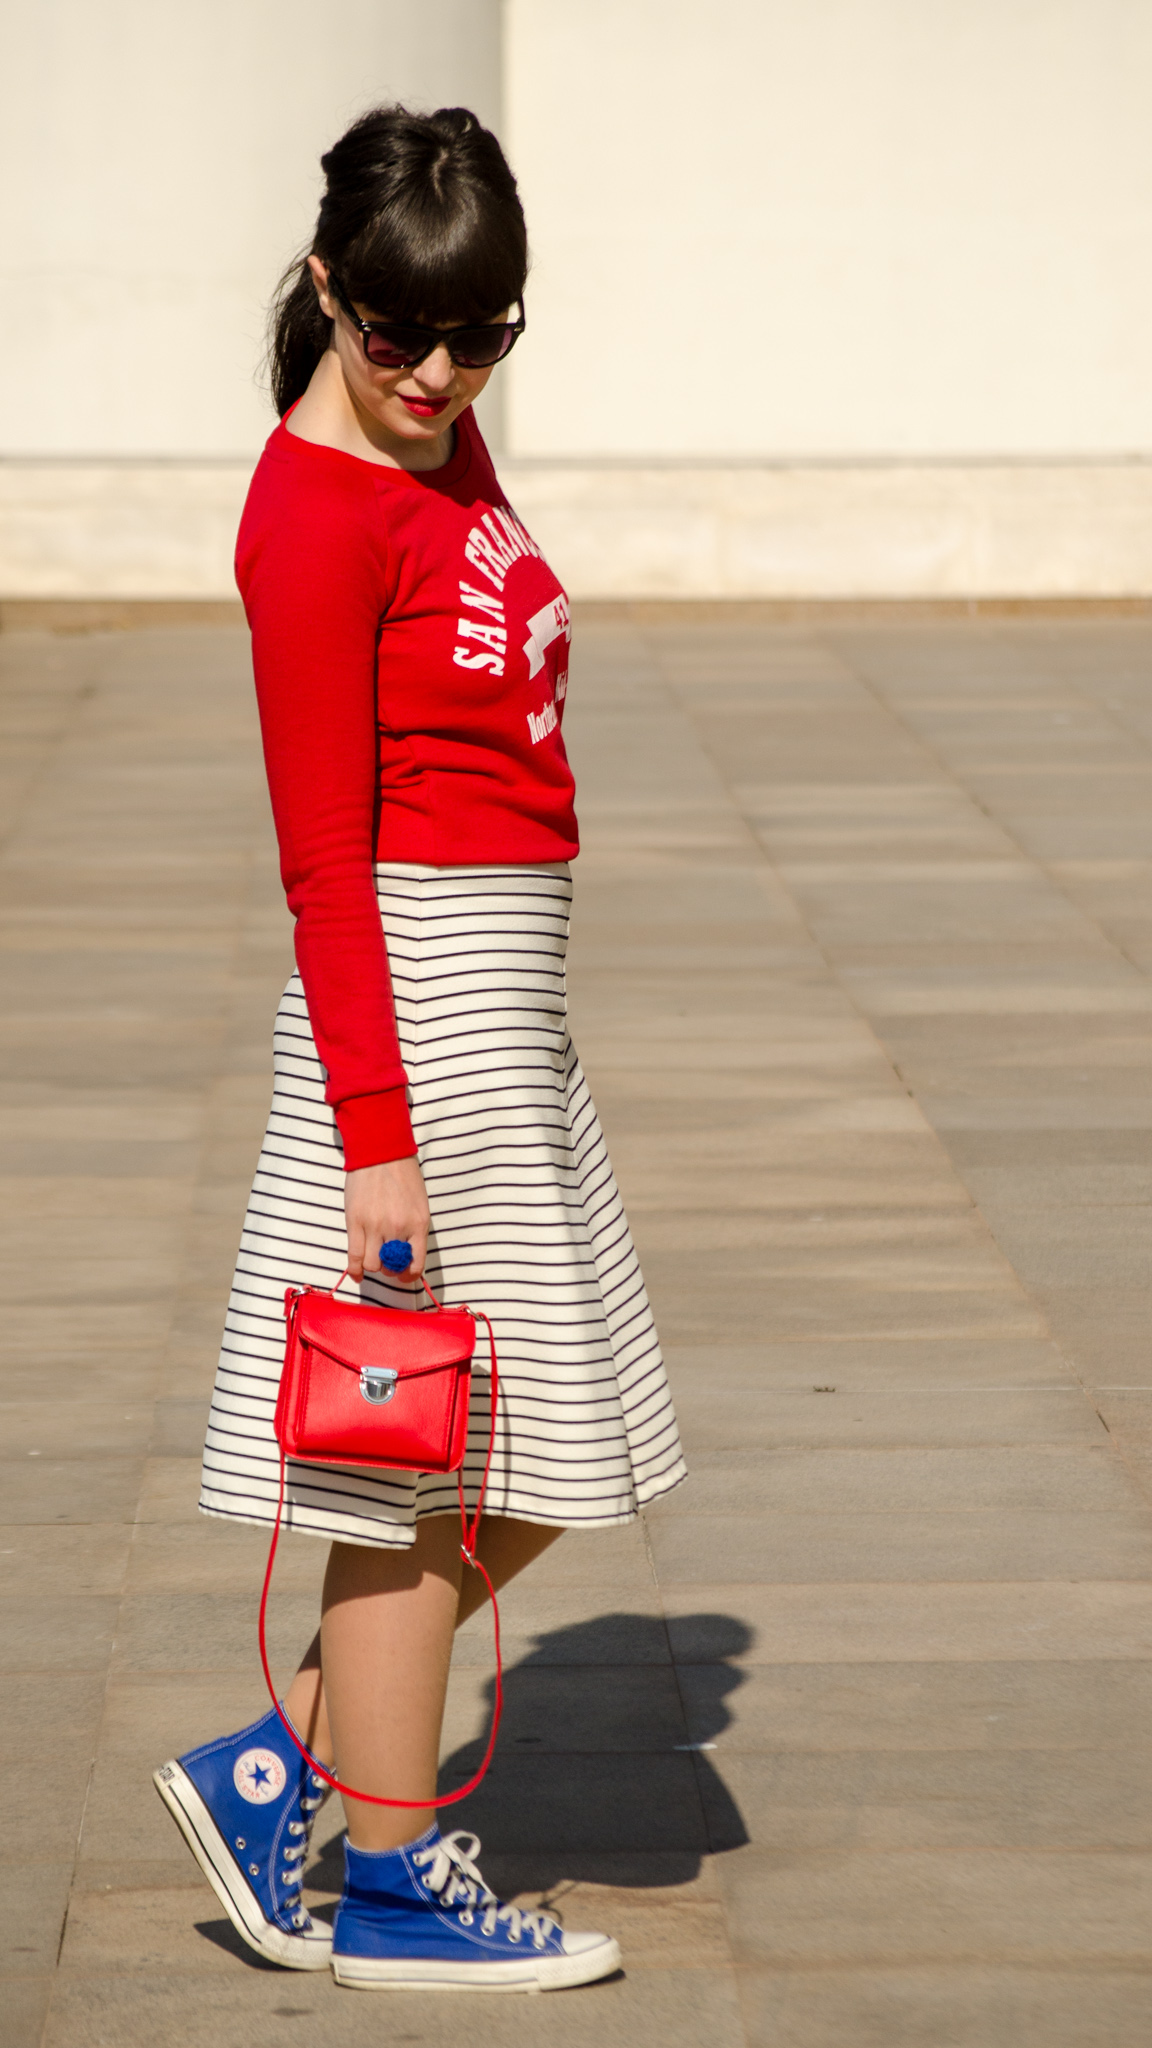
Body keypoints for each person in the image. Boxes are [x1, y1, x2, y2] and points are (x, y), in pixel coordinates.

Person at [153, 103, 686, 1995]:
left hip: (503, 1019)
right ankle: (387, 1882)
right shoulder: (312, 517)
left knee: (551, 1437)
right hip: (421, 1020)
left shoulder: (436, 447)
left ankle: (285, 1759)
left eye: (482, 338)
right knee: (423, 1475)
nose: (442, 376)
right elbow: (321, 856)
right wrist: (377, 1136)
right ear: (328, 294)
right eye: (398, 338)